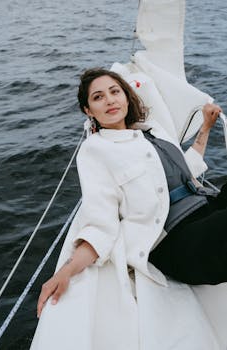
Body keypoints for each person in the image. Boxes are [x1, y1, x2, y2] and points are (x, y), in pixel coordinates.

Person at [31, 68, 226, 350]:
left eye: (114, 92)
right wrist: (67, 270)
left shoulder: (152, 131)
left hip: (205, 205)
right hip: (176, 239)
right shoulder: (96, 151)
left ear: (125, 96)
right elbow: (101, 222)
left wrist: (205, 127)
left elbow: (187, 170)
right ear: (88, 110)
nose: (109, 100)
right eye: (98, 97)